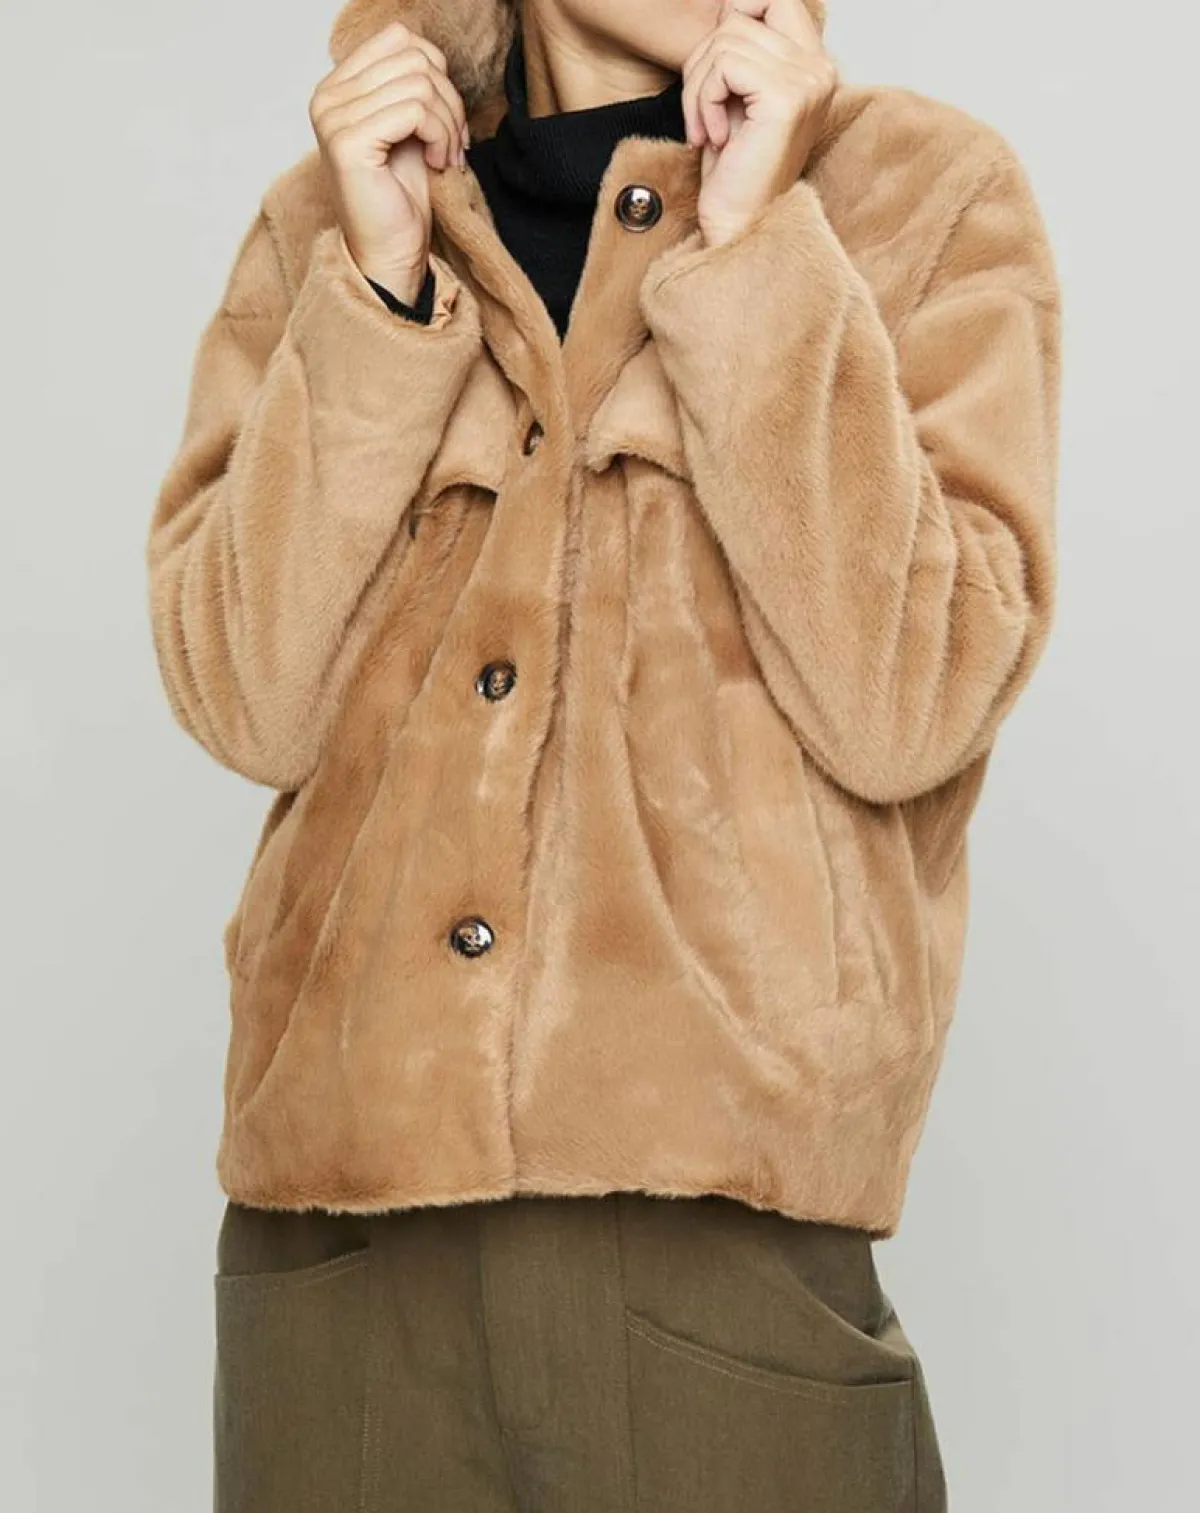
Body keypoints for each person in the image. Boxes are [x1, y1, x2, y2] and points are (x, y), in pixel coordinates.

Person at [146, 1, 1061, 1508]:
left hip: (719, 1242)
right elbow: (241, 694)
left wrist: (755, 250)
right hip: (338, 1252)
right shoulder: (337, 205)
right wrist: (375, 291)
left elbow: (916, 697)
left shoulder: (916, 192)